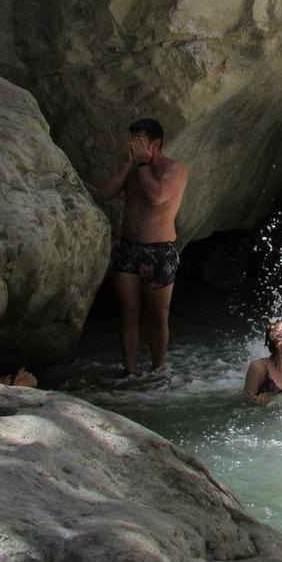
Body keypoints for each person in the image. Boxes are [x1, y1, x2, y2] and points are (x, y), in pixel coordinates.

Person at [100, 118, 188, 375]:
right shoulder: (133, 168)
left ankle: (158, 368)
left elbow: (157, 196)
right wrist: (130, 162)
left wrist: (140, 164)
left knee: (157, 314)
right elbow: (105, 192)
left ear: (155, 143)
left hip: (159, 251)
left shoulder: (175, 168)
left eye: (138, 140)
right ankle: (129, 370)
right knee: (129, 311)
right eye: (131, 140)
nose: (132, 144)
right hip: (129, 249)